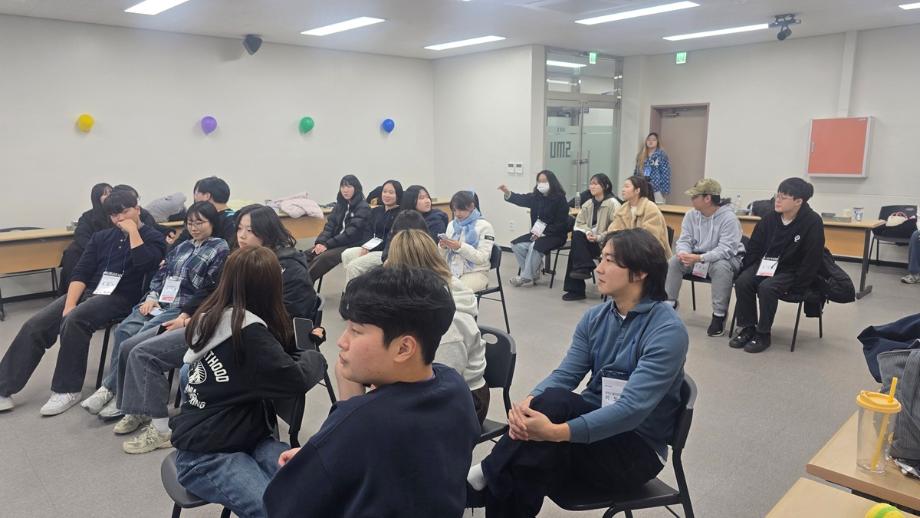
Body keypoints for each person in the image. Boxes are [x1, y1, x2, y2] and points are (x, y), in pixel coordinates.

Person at [466, 229, 689, 518]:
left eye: (609, 260)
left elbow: (631, 410)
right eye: (601, 258)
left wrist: (555, 432)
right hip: (592, 430)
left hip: (636, 450)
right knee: (531, 454)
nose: (599, 268)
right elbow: (566, 373)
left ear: (640, 272)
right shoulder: (596, 318)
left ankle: (483, 474)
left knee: (542, 435)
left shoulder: (667, 331)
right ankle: (490, 474)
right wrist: (527, 406)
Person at [263, 267, 479, 517]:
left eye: (356, 331)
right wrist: (327, 454)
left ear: (403, 348)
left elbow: (281, 506)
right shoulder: (455, 386)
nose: (342, 341)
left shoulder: (360, 423)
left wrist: (323, 454)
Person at [103, 204, 318, 453]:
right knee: (131, 345)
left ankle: (163, 428)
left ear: (267, 231)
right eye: (239, 228)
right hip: (216, 323)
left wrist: (200, 321)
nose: (242, 235)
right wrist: (188, 316)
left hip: (238, 334)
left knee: (158, 359)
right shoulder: (238, 256)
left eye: (250, 230)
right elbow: (214, 291)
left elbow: (287, 317)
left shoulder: (286, 267)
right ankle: (139, 408)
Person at [170, 246, 327, 518]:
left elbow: (271, 349)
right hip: (206, 456)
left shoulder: (214, 316)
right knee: (275, 510)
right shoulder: (249, 334)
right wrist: (315, 356)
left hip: (243, 436)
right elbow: (296, 379)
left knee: (313, 491)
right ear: (270, 287)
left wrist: (300, 343)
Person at [0, 190, 166, 415]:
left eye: (125, 212)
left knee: (76, 319)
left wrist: (134, 233)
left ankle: (67, 389)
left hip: (123, 297)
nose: (119, 219)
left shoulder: (154, 237)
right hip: (90, 292)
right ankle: (3, 388)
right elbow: (81, 272)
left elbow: (146, 264)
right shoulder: (101, 238)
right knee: (36, 324)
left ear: (137, 209)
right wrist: (69, 304)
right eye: (114, 215)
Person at [79, 201, 230, 417]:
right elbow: (162, 274)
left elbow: (208, 288)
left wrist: (184, 310)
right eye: (190, 223)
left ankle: (114, 391)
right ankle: (115, 390)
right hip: (161, 301)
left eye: (200, 223)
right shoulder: (182, 246)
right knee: (123, 330)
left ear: (212, 223)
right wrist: (152, 296)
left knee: (138, 339)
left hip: (183, 305)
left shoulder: (219, 247)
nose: (194, 228)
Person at [337, 228, 490, 423]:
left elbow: (438, 385)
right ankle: (352, 423)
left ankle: (357, 424)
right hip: (423, 383)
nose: (385, 265)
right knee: (345, 367)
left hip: (464, 400)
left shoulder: (445, 319)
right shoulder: (413, 300)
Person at [730, 177, 824, 353]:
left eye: (783, 197)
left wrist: (800, 286)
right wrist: (748, 269)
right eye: (777, 195)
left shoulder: (812, 222)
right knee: (743, 281)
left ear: (798, 201)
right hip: (766, 264)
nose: (777, 200)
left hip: (791, 270)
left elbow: (812, 258)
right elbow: (755, 247)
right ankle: (748, 327)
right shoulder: (769, 218)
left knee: (767, 288)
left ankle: (763, 334)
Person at [665, 178, 744, 336]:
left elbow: (725, 250)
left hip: (727, 259)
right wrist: (683, 253)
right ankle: (669, 304)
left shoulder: (729, 218)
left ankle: (719, 315)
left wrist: (700, 258)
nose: (691, 199)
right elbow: (684, 240)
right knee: (674, 261)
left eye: (695, 196)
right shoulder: (691, 215)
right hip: (697, 257)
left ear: (707, 198)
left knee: (721, 267)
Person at [499, 170, 569, 288]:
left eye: (544, 181)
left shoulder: (560, 199)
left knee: (534, 246)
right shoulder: (536, 197)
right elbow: (521, 199)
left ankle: (525, 277)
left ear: (551, 182)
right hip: (537, 233)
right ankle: (534, 273)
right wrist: (507, 193)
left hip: (555, 235)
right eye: (539, 181)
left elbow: (561, 224)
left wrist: (543, 233)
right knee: (516, 245)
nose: (541, 184)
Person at [562, 174, 621, 301]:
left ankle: (577, 286)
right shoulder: (588, 203)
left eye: (595, 184)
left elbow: (616, 228)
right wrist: (588, 232)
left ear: (605, 186)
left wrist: (599, 237)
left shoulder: (613, 203)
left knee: (576, 250)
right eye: (591, 184)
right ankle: (583, 267)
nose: (592, 186)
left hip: (606, 243)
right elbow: (579, 223)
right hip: (590, 241)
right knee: (577, 237)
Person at [307, 174, 371, 280]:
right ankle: (299, 283)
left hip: (351, 244)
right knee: (308, 254)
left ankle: (305, 284)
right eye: (343, 186)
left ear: (356, 188)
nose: (345, 190)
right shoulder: (340, 205)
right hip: (335, 242)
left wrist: (327, 245)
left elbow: (351, 233)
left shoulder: (363, 207)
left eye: (349, 186)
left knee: (323, 258)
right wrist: (320, 242)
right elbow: (329, 226)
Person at [340, 179, 403, 284]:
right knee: (346, 254)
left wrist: (371, 248)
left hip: (385, 253)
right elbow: (367, 231)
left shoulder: (401, 214)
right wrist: (366, 246)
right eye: (384, 191)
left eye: (391, 192)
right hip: (371, 247)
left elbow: (392, 240)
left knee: (353, 266)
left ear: (398, 195)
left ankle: (350, 292)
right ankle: (359, 285)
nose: (387, 195)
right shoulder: (376, 211)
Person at [59, 182, 113, 291]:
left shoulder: (118, 214)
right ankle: (73, 290)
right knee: (72, 252)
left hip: (113, 249)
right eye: (105, 194)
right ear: (96, 197)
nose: (109, 196)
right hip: (92, 250)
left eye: (111, 193)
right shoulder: (87, 216)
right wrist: (94, 250)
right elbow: (81, 235)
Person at [439, 190, 495, 292]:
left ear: (471, 206)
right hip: (452, 270)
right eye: (454, 210)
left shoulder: (484, 226)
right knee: (431, 287)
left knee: (455, 291)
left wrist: (460, 247)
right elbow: (442, 258)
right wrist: (443, 247)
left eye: (461, 209)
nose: (457, 214)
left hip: (476, 272)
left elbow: (482, 258)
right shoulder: (452, 225)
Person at [610, 175, 671, 258]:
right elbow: (613, 230)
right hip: (627, 250)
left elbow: (650, 237)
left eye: (627, 187)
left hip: (649, 253)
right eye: (623, 187)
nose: (623, 190)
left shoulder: (650, 208)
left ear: (637, 190)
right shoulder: (623, 209)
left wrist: (625, 241)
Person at [170, 176, 236, 247]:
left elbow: (176, 246)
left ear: (207, 196)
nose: (194, 198)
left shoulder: (228, 221)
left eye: (196, 194)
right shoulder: (234, 218)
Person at [634, 132, 671, 203]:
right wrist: (635, 185)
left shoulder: (661, 155)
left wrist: (664, 190)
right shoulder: (641, 155)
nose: (651, 141)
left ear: (657, 142)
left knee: (657, 207)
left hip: (657, 188)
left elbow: (665, 173)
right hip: (643, 187)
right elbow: (636, 172)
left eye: (654, 140)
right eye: (649, 139)